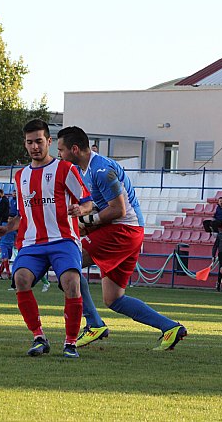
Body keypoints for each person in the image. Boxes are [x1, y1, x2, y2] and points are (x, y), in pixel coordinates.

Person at [56, 126, 187, 351]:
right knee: (113, 299)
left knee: (66, 266)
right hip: (127, 232)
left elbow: (118, 209)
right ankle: (170, 327)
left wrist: (87, 222)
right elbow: (103, 206)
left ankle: (94, 323)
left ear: (74, 149)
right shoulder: (88, 169)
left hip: (122, 231)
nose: (59, 154)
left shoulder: (100, 170)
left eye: (61, 150)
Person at [0, 119, 92, 358]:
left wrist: (81, 211)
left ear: (49, 141)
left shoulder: (65, 169)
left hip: (63, 240)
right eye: (30, 142)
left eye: (39, 141)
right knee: (21, 278)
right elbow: (21, 215)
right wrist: (6, 229)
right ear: (25, 145)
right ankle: (39, 337)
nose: (34, 146)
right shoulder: (21, 176)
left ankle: (70, 343)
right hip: (31, 243)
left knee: (71, 282)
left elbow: (87, 201)